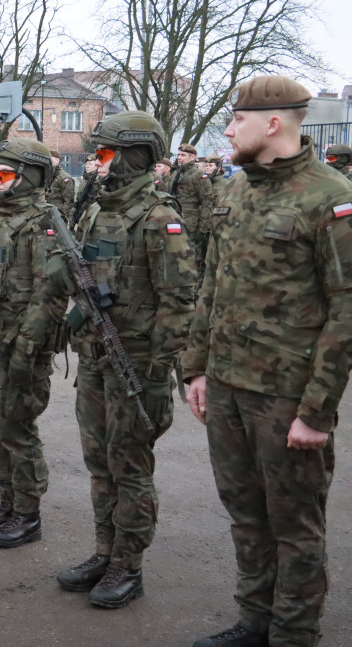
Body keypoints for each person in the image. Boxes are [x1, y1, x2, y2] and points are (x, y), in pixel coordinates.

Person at [182, 76, 352, 647]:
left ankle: (292, 635)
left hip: (286, 398)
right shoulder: (234, 193)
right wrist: (197, 368)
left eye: (236, 120)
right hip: (228, 387)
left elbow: (346, 311)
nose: (228, 130)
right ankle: (253, 622)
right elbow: (212, 283)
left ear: (272, 122)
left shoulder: (330, 197)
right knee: (246, 515)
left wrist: (318, 411)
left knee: (295, 527)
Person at [51, 111, 196, 608]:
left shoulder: (161, 218)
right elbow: (83, 275)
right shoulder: (94, 211)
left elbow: (179, 302)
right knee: (99, 461)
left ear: (135, 155)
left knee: (130, 465)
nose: (99, 163)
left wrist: (159, 373)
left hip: (136, 363)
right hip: (94, 354)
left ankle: (127, 565)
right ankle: (103, 550)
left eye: (108, 153)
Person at [0, 138, 67, 547]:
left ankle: (28, 512)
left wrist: (25, 348)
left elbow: (51, 293)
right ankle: (7, 502)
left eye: (5, 174)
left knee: (18, 428)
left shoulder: (43, 222)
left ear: (30, 176)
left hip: (22, 344)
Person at [168, 143, 214, 275]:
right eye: (178, 155)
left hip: (191, 224)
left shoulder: (199, 175)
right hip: (174, 220)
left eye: (183, 155)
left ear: (193, 157)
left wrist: (204, 228)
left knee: (191, 258)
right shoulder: (175, 173)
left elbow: (207, 202)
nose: (179, 158)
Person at [46, 149, 76, 220]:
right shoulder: (48, 175)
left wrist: (63, 216)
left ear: (57, 160)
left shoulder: (65, 178)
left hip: (58, 213)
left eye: (50, 159)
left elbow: (69, 201)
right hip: (47, 211)